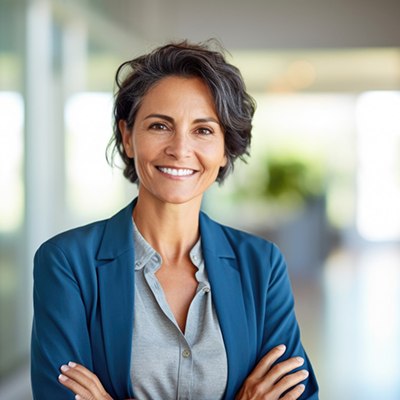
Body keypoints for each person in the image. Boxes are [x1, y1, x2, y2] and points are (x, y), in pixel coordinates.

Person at [31, 40, 319, 400]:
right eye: (159, 126)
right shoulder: (67, 262)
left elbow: (299, 394)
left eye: (203, 130)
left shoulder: (260, 263)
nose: (180, 149)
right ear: (127, 137)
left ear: (225, 149)